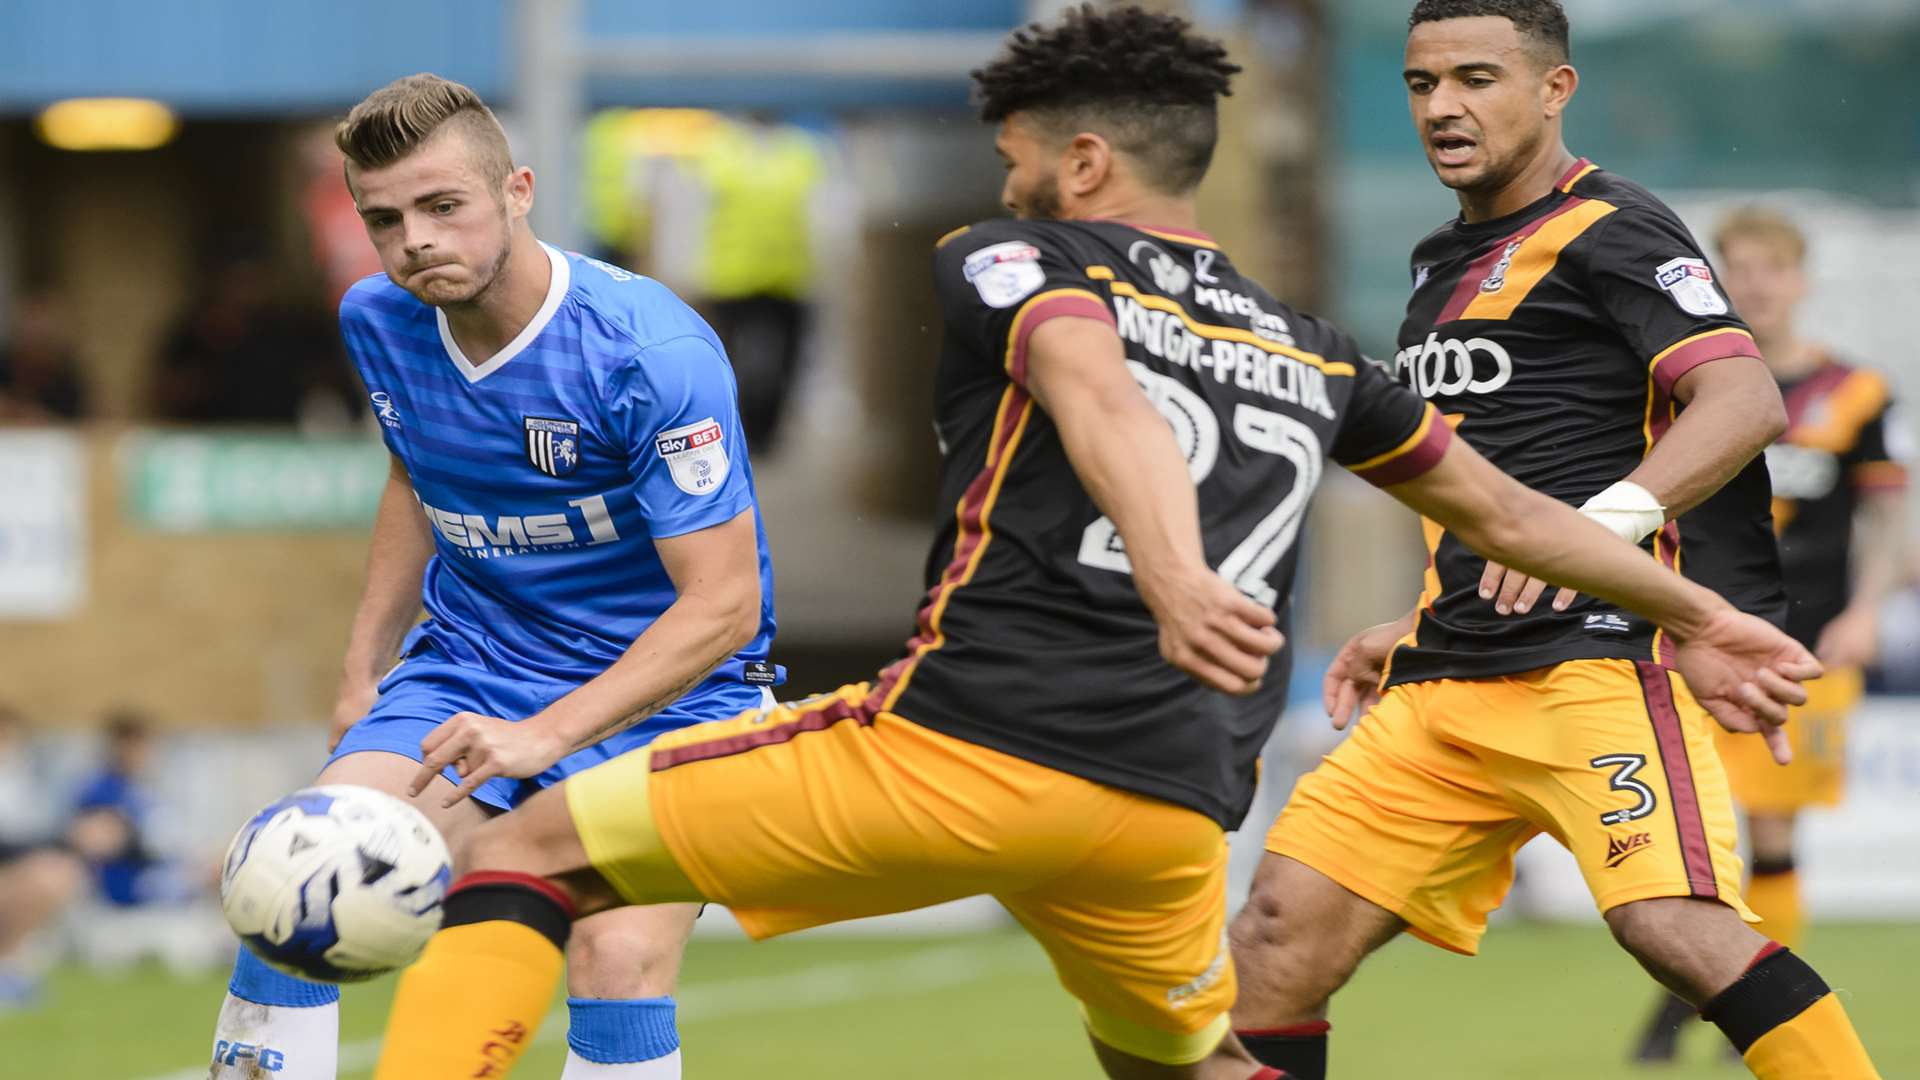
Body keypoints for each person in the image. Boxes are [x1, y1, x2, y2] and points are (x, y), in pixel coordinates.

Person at [363, 9, 1815, 1079]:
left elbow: (1090, 380)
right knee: (1186, 1064)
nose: (1001, 189)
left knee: (528, 850)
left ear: (1080, 158)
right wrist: (1689, 613)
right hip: (1170, 814)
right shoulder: (1310, 344)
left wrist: (1175, 568)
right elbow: (1506, 515)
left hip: (971, 749)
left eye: (1011, 161)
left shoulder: (1018, 261)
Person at [1226, 4, 1880, 1078]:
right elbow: (1497, 484)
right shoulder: (1441, 263)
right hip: (1447, 681)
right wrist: (1416, 616)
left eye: (1477, 79)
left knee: (1674, 929)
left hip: (1599, 665)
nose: (1444, 107)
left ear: (1555, 89)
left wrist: (1600, 532)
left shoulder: (1611, 225)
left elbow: (1742, 399)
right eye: (1421, 84)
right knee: (1273, 943)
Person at [205, 74, 781, 1080]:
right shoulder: (378, 319)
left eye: (443, 206)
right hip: (474, 670)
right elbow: (412, 474)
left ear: (516, 190)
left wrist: (546, 738)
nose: (414, 239)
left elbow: (726, 607)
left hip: (672, 698)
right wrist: (361, 668)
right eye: (384, 218)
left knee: (617, 956)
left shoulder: (649, 352)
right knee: (295, 882)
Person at [1632, 207, 1911, 1061]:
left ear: (1799, 279)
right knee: (1692, 829)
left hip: (1807, 645)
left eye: (1770, 269)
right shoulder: (1689, 385)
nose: (1754, 285)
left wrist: (1868, 611)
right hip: (1698, 641)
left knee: (1775, 831)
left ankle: (1733, 1005)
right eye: (1738, 269)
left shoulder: (1857, 393)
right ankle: (1702, 992)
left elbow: (1891, 515)